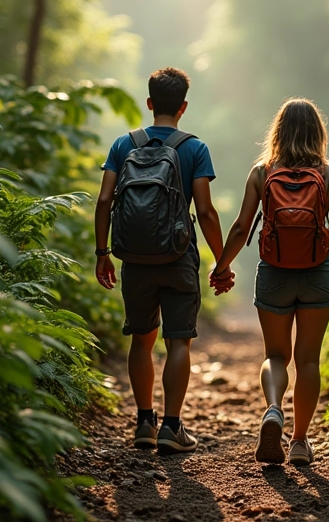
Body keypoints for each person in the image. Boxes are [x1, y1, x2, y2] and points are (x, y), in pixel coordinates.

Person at [210, 98, 329, 466]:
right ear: (318, 133)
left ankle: (274, 409)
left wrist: (221, 265)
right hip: (318, 272)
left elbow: (242, 226)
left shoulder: (261, 172)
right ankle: (299, 442)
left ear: (277, 131)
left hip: (274, 273)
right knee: (308, 359)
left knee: (276, 355)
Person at [94, 67, 234, 454]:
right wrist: (221, 263)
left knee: (142, 340)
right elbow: (205, 212)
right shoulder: (194, 148)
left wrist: (102, 253)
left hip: (134, 258)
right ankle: (172, 427)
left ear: (150, 103)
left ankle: (143, 422)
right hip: (177, 257)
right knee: (178, 343)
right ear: (183, 107)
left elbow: (105, 200)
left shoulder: (124, 144)